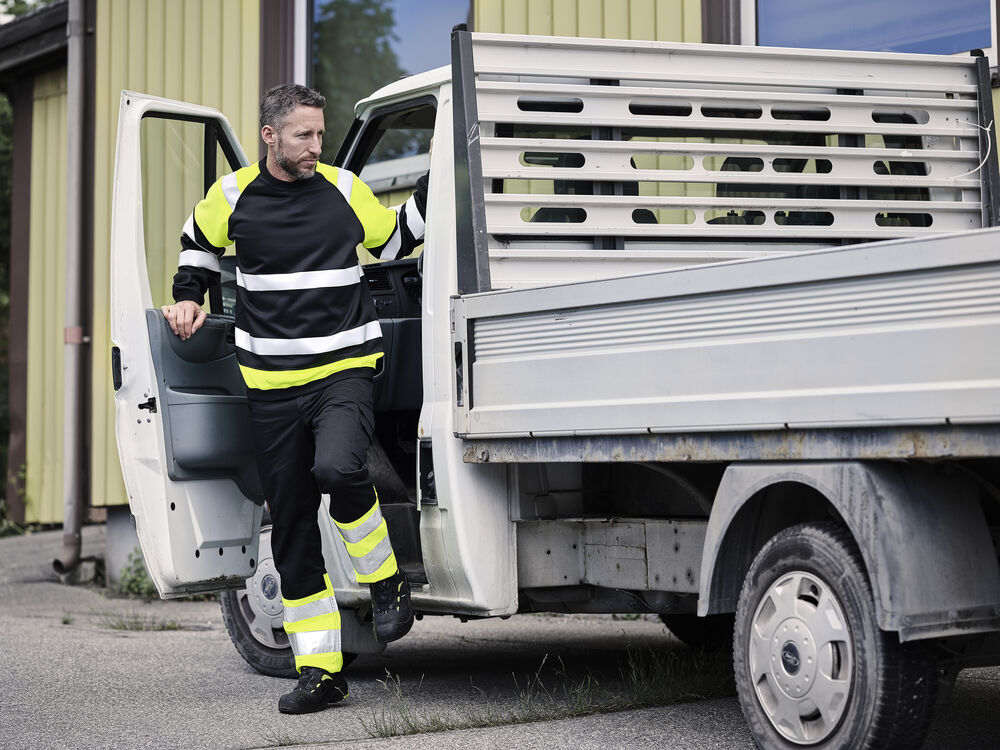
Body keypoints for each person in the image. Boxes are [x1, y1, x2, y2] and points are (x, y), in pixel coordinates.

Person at [161, 83, 427, 714]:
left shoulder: (342, 189)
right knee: (293, 538)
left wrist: (440, 180)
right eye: (304, 135)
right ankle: (320, 672)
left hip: (342, 374)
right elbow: (197, 244)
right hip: (271, 391)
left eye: (320, 133)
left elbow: (392, 244)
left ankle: (385, 579)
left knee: (339, 468)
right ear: (270, 137)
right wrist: (190, 297)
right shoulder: (231, 197)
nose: (317, 146)